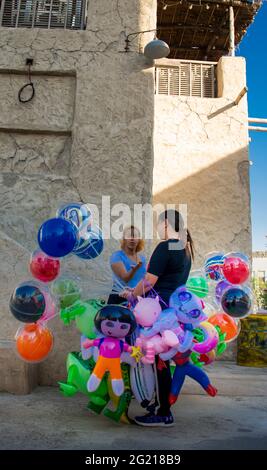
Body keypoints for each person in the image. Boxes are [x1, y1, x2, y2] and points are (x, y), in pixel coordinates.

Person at [121, 209, 194, 427]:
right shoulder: (185, 249)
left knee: (156, 361)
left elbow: (149, 281)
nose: (156, 228)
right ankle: (161, 408)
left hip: (157, 311)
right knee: (162, 360)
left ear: (165, 224)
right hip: (173, 311)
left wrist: (131, 295)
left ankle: (163, 412)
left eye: (157, 224)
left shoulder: (166, 247)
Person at [107, 226, 146, 305]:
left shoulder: (142, 259)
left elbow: (144, 280)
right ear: (124, 239)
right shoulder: (116, 256)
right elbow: (125, 278)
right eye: (129, 236)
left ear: (139, 240)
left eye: (135, 236)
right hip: (119, 297)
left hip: (136, 298)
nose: (132, 239)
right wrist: (134, 269)